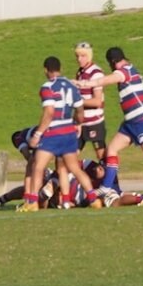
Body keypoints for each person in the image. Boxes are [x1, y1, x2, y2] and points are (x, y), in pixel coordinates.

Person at [74, 47, 143, 205]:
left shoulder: (124, 71)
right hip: (130, 123)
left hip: (142, 121)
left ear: (112, 62)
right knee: (111, 149)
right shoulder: (127, 70)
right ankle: (106, 187)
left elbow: (105, 80)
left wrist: (83, 83)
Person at [18, 56, 101, 212]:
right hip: (69, 133)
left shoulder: (47, 87)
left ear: (45, 70)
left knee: (38, 166)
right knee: (73, 169)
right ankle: (93, 199)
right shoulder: (71, 86)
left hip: (53, 133)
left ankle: (33, 202)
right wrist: (77, 124)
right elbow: (80, 112)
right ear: (60, 68)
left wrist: (38, 134)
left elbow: (49, 112)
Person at [74, 42, 107, 160]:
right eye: (77, 56)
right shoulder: (80, 72)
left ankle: (110, 178)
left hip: (94, 122)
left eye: (82, 56)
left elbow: (97, 101)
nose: (79, 59)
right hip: (81, 122)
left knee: (101, 156)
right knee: (70, 156)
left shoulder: (96, 73)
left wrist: (78, 102)